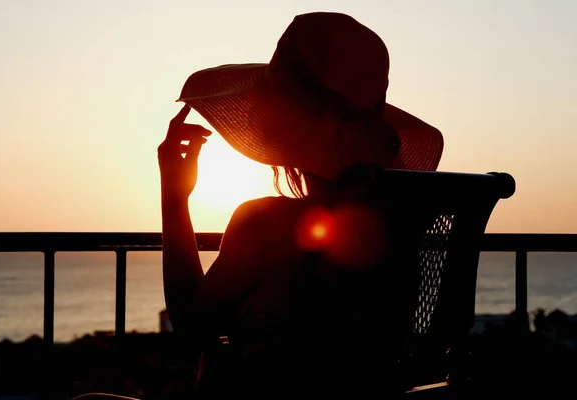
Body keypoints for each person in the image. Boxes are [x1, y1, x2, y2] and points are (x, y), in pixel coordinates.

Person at [159, 11, 444, 400]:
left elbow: (190, 328)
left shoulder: (266, 224)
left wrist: (174, 197)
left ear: (278, 119)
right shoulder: (405, 223)